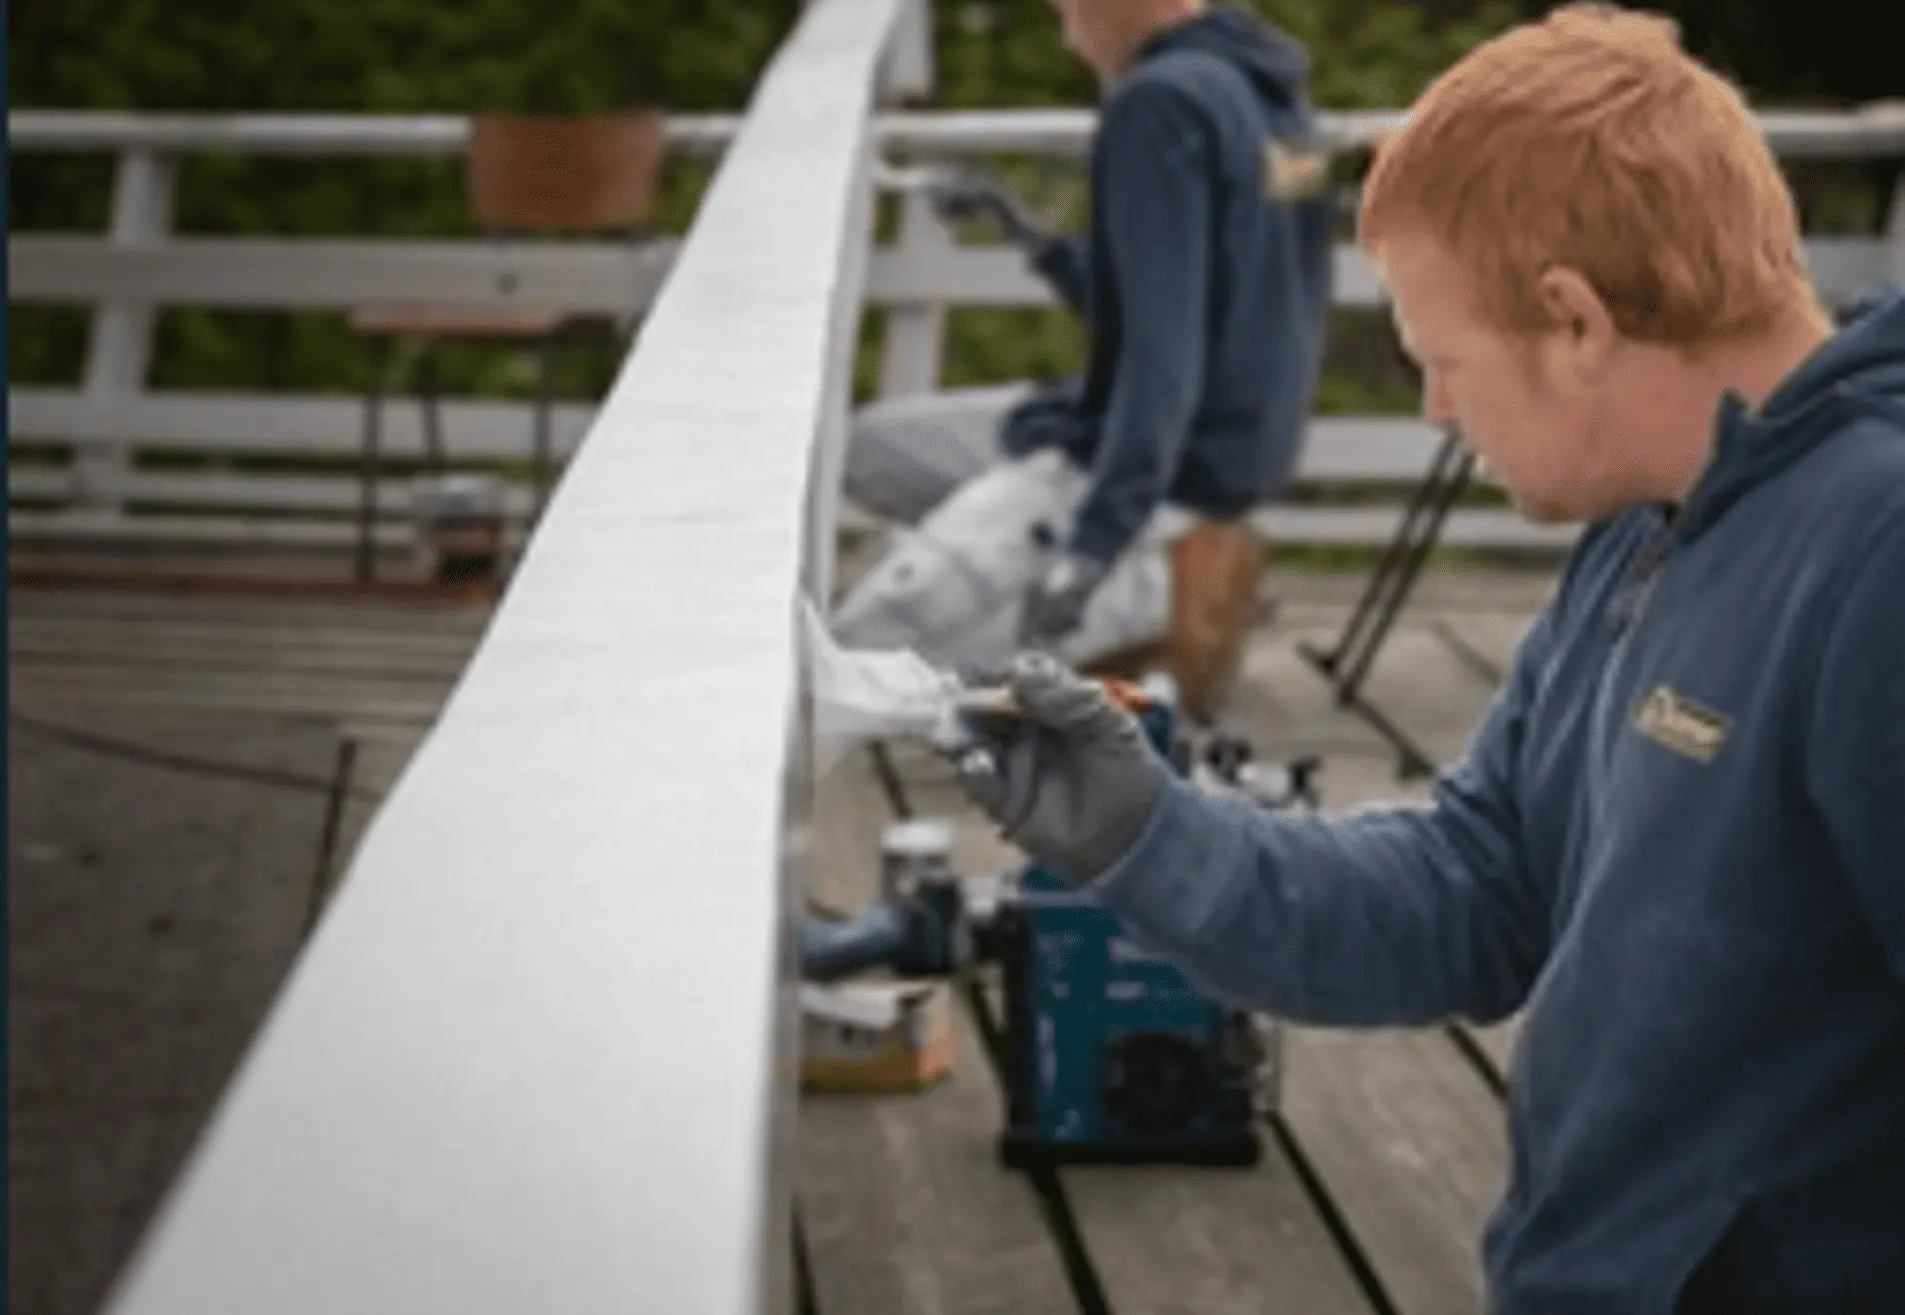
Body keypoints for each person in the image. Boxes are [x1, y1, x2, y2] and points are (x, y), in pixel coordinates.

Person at [948, 6, 1905, 1312]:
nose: (1435, 410)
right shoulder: (1652, 519)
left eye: (1440, 360)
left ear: (1572, 321)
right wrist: (1148, 833)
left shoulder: (1877, 552)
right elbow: (1477, 883)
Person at [831, 0, 1335, 711]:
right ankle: (1006, 592)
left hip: (1149, 466)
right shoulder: (1272, 99)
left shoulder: (1159, 107)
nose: (1061, 15)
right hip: (1225, 448)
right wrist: (1027, 234)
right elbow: (1174, 305)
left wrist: (1093, 543)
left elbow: (1162, 362)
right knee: (873, 447)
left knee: (852, 658)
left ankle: (1104, 602)